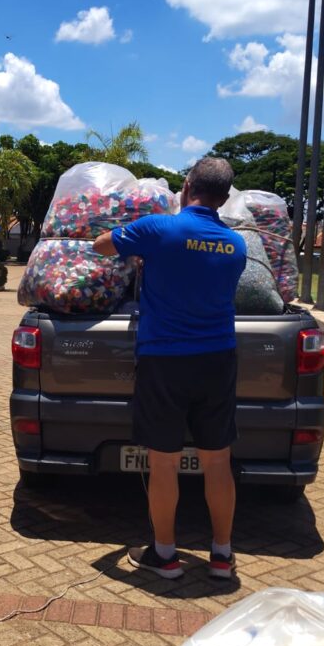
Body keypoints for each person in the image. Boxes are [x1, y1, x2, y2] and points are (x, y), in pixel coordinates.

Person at [92, 157, 246, 580]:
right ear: (224, 198)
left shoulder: (158, 229)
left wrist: (142, 250)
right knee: (218, 462)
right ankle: (222, 556)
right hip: (218, 359)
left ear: (187, 186)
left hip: (165, 360)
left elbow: (101, 245)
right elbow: (200, 277)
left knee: (163, 463)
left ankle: (165, 556)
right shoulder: (236, 246)